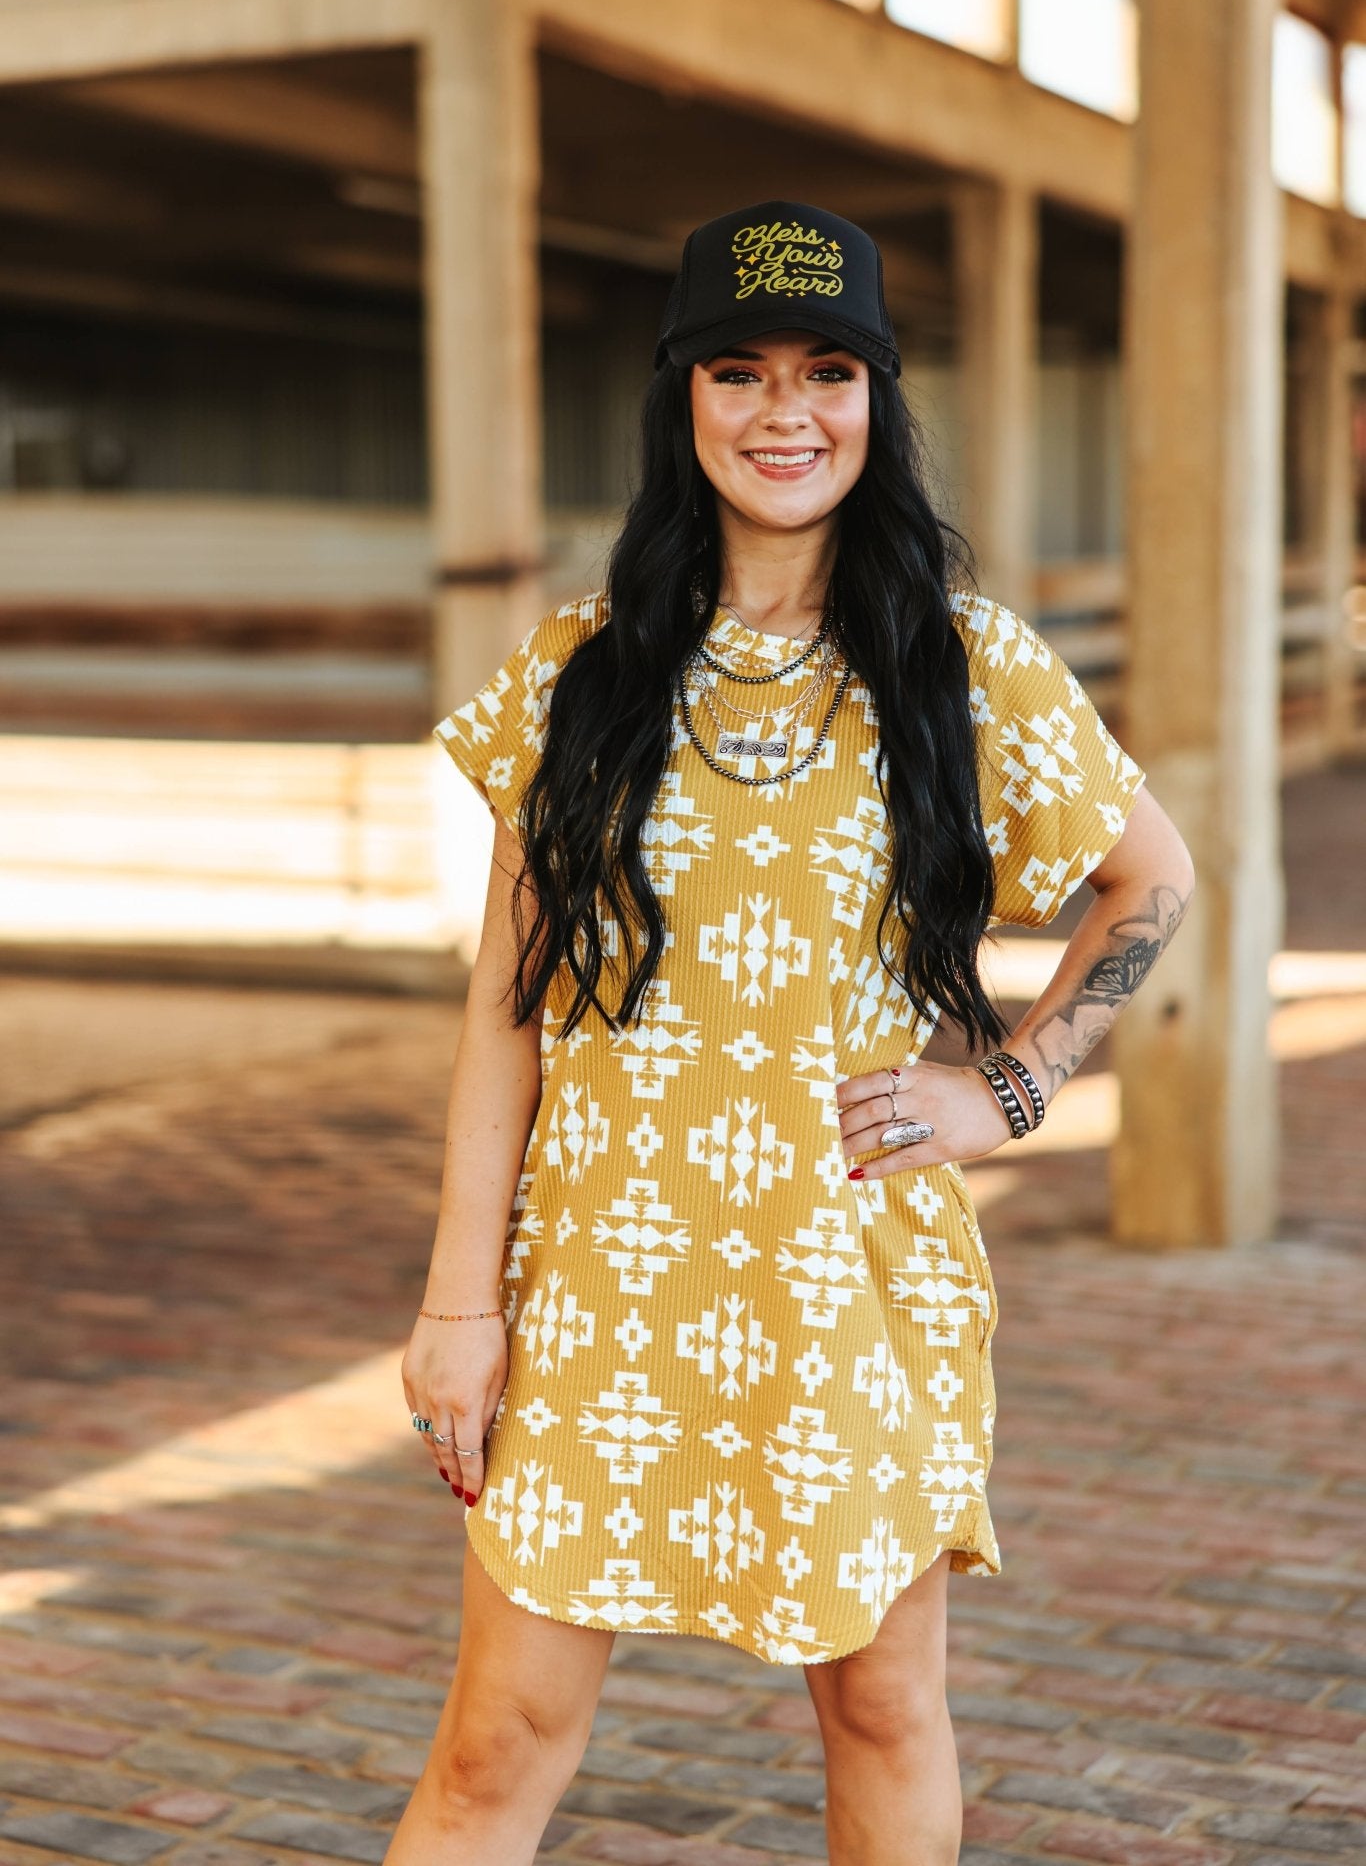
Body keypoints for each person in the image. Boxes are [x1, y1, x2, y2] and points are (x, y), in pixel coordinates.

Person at [387, 200, 1194, 1866]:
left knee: (881, 1711)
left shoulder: (962, 666)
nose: (784, 412)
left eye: (828, 370)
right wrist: (459, 1304)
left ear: (876, 402)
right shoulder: (579, 672)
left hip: (844, 1277)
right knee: (492, 1747)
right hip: (595, 1279)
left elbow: (1150, 881)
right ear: (682, 398)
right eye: (738, 371)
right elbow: (505, 1014)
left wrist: (1016, 1083)